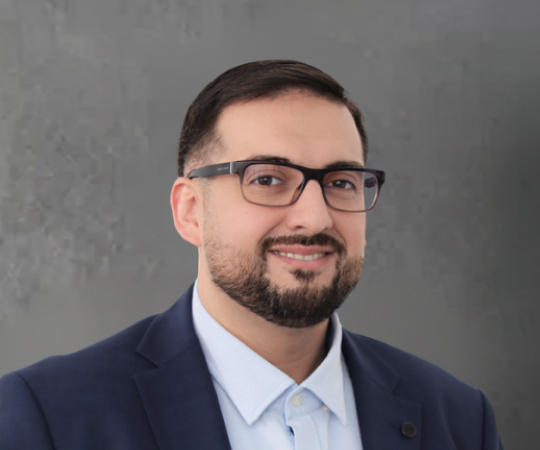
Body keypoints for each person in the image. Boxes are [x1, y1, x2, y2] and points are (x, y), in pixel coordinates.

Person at [0, 60, 503, 449]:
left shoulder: (458, 419)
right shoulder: (49, 417)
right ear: (191, 212)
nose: (315, 218)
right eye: (266, 179)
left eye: (341, 182)